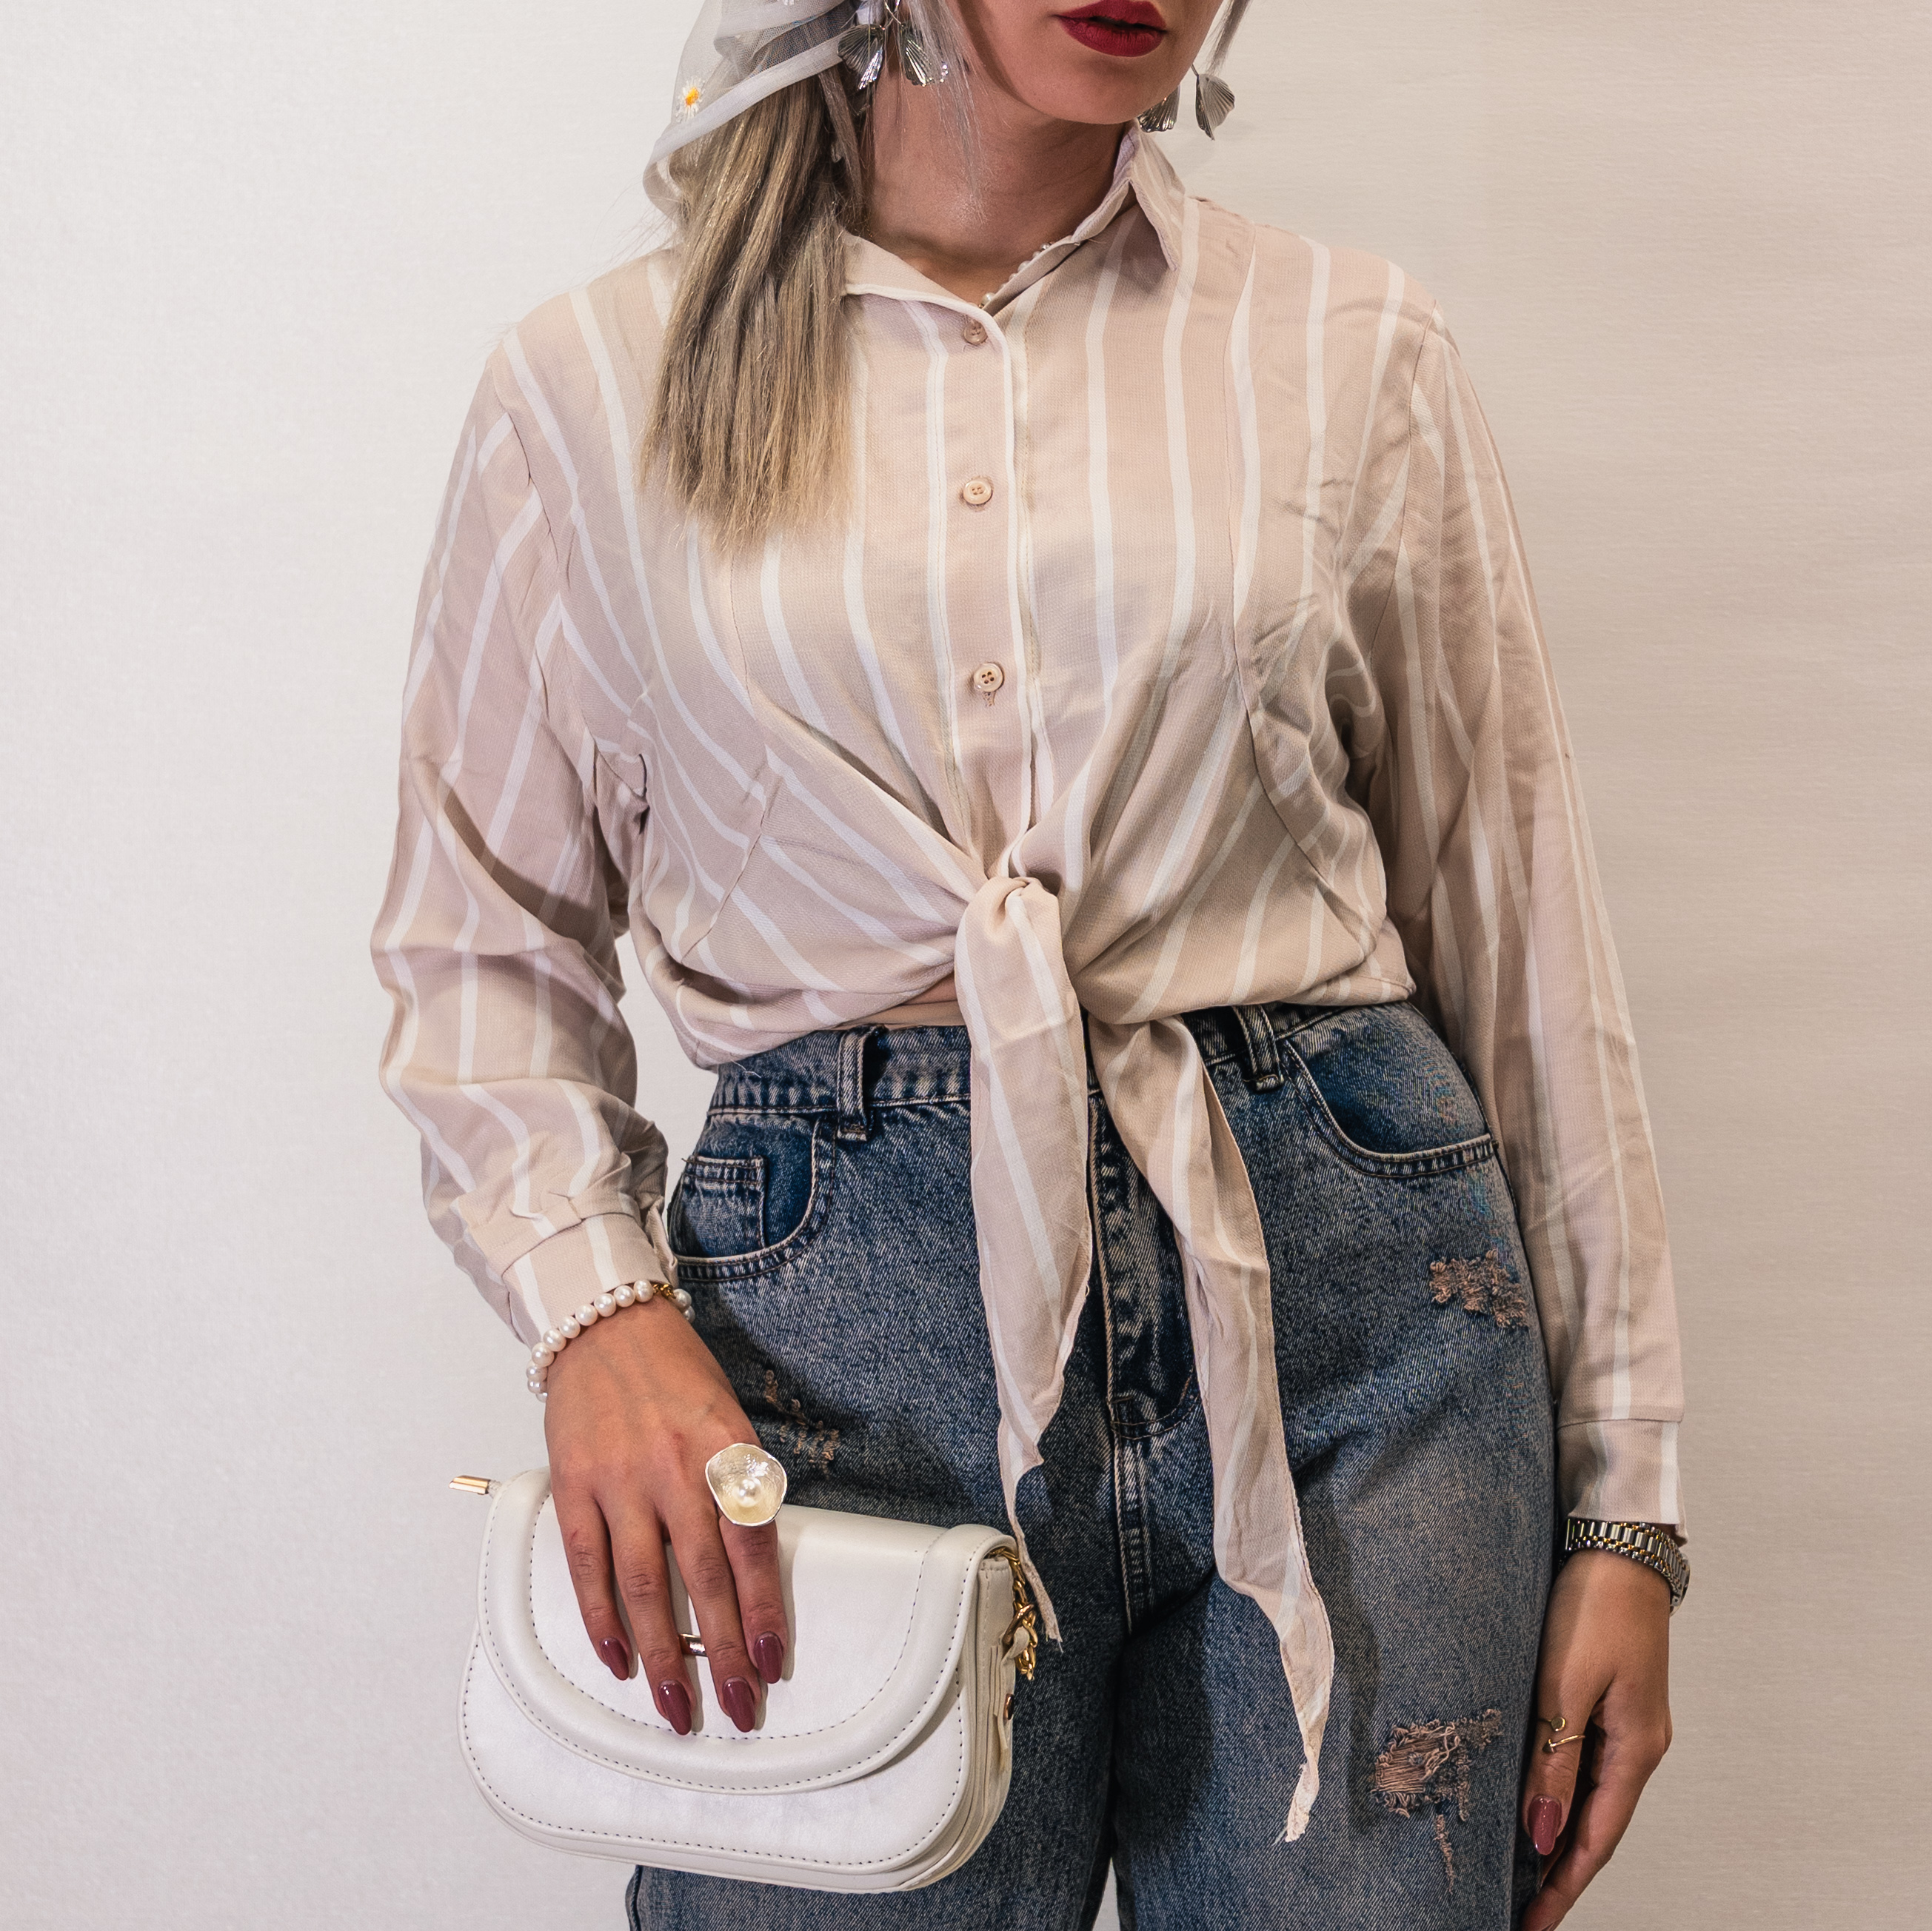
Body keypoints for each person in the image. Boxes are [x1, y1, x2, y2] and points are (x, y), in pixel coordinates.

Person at [372, 3, 1687, 1924]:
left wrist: (1626, 1508)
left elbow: (1522, 927)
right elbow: (476, 938)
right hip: (829, 1358)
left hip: (1355, 1310)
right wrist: (598, 1320)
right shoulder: (591, 385)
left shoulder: (1350, 346)